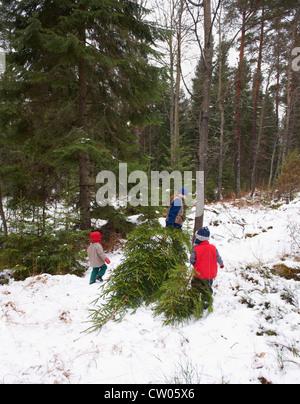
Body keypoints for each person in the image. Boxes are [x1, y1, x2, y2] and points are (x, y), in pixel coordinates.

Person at [190, 227, 224, 309]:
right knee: (207, 288)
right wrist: (221, 264)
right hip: (209, 275)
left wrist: (195, 265)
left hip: (198, 274)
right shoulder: (213, 248)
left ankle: (194, 301)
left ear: (199, 238)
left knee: (195, 287)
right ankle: (206, 302)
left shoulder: (196, 249)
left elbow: (192, 260)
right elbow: (218, 257)